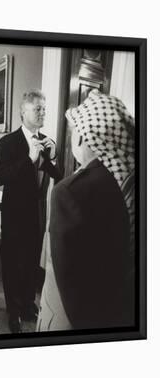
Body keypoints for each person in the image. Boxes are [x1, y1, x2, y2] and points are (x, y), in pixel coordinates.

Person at [37, 90, 135, 331]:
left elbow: (69, 283)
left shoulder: (69, 192)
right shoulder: (125, 182)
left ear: (81, 137)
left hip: (68, 319)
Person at [0, 89, 62, 333]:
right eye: (38, 109)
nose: (43, 113)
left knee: (32, 262)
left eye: (44, 108)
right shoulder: (7, 142)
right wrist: (29, 158)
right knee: (13, 264)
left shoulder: (46, 140)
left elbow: (58, 175)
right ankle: (13, 311)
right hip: (14, 216)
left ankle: (26, 304)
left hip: (37, 215)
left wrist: (52, 156)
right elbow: (0, 176)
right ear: (24, 112)